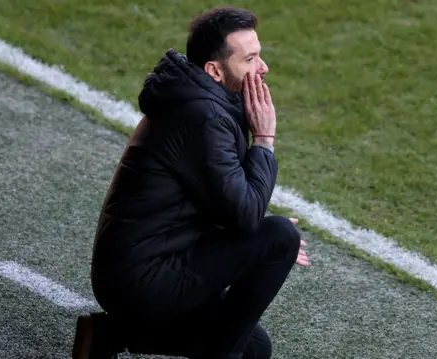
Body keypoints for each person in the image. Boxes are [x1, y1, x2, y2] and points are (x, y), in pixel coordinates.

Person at [72, 6, 310, 359]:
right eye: (250, 59)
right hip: (144, 277)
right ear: (214, 70)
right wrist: (264, 139)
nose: (263, 68)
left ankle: (108, 336)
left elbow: (222, 200)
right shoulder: (201, 116)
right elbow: (243, 214)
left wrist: (255, 232)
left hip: (150, 264)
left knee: (254, 349)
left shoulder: (205, 103)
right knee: (280, 238)